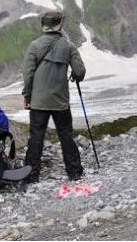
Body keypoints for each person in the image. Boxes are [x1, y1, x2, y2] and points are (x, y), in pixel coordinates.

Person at [22, 10, 86, 182]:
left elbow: (27, 75)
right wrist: (75, 75)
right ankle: (74, 171)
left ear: (44, 26)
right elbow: (80, 71)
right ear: (59, 25)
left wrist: (27, 97)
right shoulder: (68, 46)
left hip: (38, 102)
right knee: (66, 135)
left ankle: (31, 174)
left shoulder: (34, 46)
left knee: (36, 137)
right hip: (60, 101)